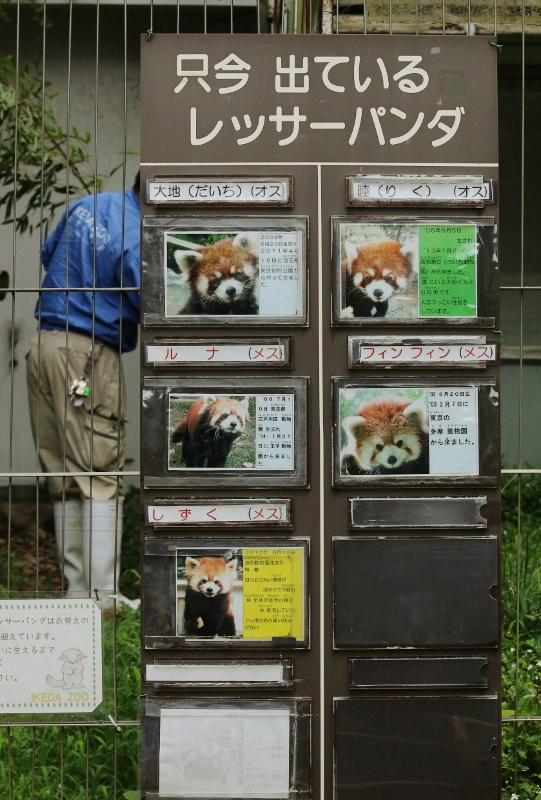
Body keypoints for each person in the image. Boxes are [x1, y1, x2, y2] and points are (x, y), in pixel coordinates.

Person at [26, 172, 141, 610]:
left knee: (62, 475)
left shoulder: (85, 206)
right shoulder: (137, 234)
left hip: (43, 344)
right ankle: (104, 596)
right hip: (88, 352)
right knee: (98, 472)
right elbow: (150, 299)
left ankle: (77, 592)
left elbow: (47, 253)